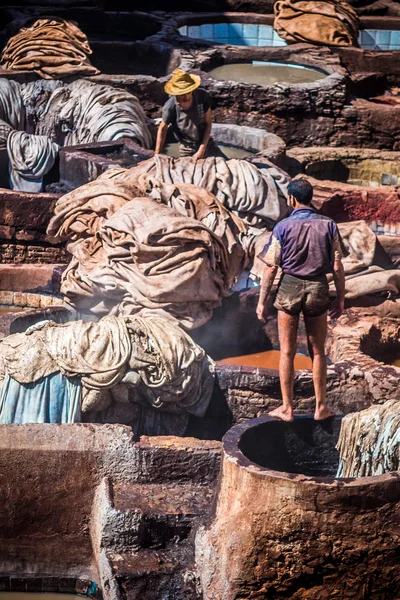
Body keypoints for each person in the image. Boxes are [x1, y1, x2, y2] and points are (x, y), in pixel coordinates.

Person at [256, 178, 346, 422]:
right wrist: (340, 298)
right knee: (318, 352)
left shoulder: (282, 227)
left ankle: (287, 409)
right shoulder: (328, 225)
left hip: (289, 287)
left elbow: (271, 268)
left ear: (292, 199)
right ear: (311, 198)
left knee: (287, 352)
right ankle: (321, 408)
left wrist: (262, 301)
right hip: (318, 286)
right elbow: (337, 265)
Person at [155, 68, 226, 159]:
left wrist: (202, 149)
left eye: (188, 92)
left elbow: (208, 124)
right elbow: (162, 128)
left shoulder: (202, 97)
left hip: (206, 144)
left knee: (226, 167)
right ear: (176, 93)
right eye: (182, 94)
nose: (186, 97)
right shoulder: (170, 106)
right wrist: (157, 155)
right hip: (187, 148)